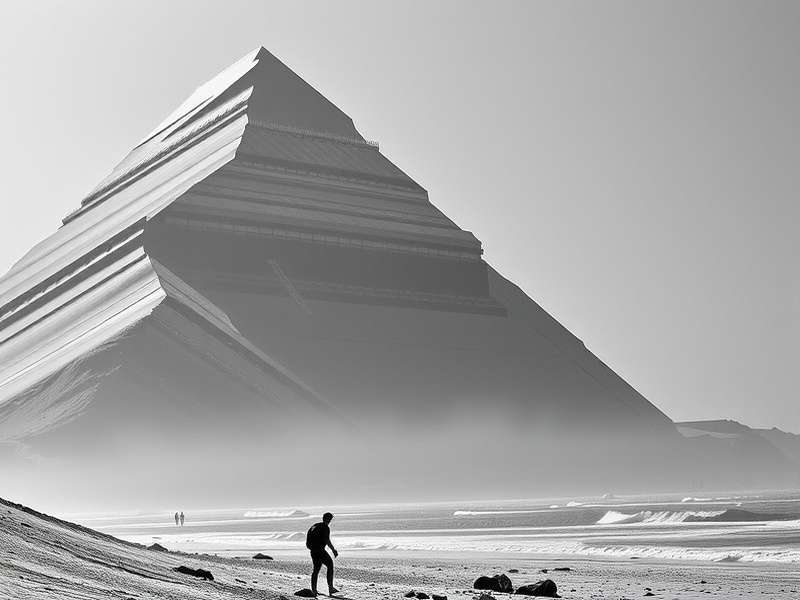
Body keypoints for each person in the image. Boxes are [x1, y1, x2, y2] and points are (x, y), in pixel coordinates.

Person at [306, 512, 339, 597]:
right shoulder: (325, 527)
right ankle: (330, 588)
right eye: (330, 519)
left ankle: (314, 590)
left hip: (313, 550)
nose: (330, 521)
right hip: (320, 550)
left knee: (316, 569)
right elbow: (326, 540)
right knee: (330, 565)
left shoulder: (314, 526)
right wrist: (333, 550)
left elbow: (308, 538)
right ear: (328, 519)